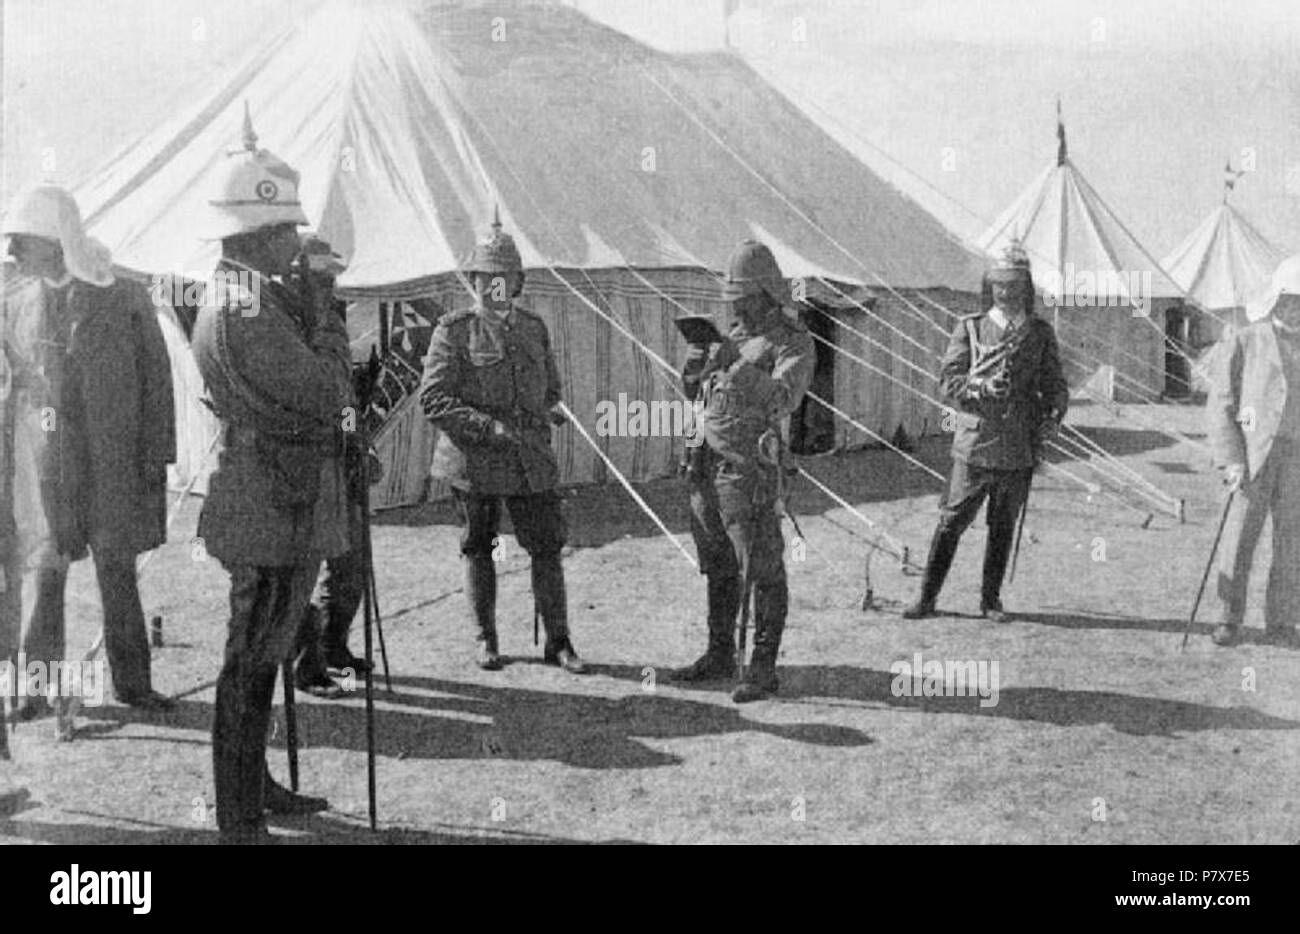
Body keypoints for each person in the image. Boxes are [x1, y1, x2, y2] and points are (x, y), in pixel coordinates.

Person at [191, 121, 352, 843]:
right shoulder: (249, 307)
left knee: (262, 655)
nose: (298, 245)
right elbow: (324, 390)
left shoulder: (243, 294)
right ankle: (240, 816)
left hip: (272, 494)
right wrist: (329, 317)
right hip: (267, 502)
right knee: (250, 663)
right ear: (258, 236)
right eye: (288, 232)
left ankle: (255, 791)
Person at [2, 184, 175, 717]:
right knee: (45, 570)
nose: (17, 254)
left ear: (60, 241)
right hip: (47, 464)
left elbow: (157, 379)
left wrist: (156, 454)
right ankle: (33, 688)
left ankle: (133, 684)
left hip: (110, 461)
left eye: (28, 243)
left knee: (116, 570)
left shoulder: (122, 294)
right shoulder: (12, 300)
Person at [418, 213, 585, 674]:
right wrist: (486, 426)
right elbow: (433, 398)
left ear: (518, 282)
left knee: (547, 547)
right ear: (473, 281)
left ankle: (559, 640)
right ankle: (484, 639)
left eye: (502, 277)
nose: (492, 285)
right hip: (476, 459)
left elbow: (551, 386)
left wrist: (545, 408)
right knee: (479, 546)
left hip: (529, 457)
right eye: (483, 277)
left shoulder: (533, 328)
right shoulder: (454, 330)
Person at [670, 239, 814, 703]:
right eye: (734, 300)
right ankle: (720, 652)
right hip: (706, 466)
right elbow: (701, 397)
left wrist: (736, 367)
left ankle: (762, 667)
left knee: (762, 568)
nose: (738, 308)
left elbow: (783, 398)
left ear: (769, 295)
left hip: (748, 470)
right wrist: (693, 370)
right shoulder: (732, 335)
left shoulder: (793, 342)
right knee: (719, 565)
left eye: (746, 299)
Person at [902, 241, 1068, 622]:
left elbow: (1055, 382)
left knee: (1002, 525)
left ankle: (990, 601)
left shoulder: (1039, 333)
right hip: (975, 442)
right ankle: (927, 597)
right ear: (989, 286)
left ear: (1026, 286)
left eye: (1013, 285)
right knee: (951, 521)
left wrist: (1055, 411)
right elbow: (948, 381)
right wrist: (979, 388)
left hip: (1019, 445)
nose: (1005, 292)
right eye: (998, 285)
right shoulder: (971, 328)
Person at [1205, 253, 1300, 648]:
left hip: (1296, 459)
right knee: (1240, 537)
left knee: (1292, 542)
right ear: (1276, 299)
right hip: (1253, 456)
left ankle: (1281, 619)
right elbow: (1221, 405)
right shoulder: (1246, 338)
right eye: (1291, 300)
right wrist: (1231, 459)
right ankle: (1228, 616)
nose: (1296, 308)